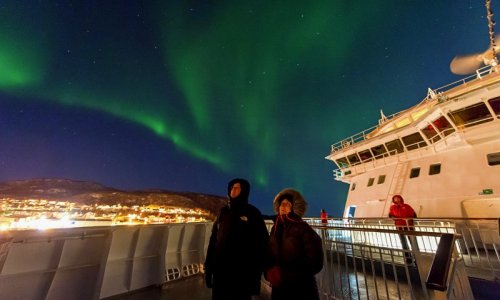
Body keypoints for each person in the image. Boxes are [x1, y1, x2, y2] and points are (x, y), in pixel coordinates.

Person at [204, 178, 269, 300]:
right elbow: (214, 241)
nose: (233, 190)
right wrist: (208, 268)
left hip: (241, 274)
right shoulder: (223, 212)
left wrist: (255, 276)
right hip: (220, 271)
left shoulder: (252, 212)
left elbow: (262, 243)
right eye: (232, 187)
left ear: (244, 191)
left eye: (237, 187)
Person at [265, 188, 324, 300]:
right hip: (279, 289)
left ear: (294, 207)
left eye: (287, 204)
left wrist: (287, 275)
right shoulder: (275, 227)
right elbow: (270, 251)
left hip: (301, 289)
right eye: (281, 204)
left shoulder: (303, 228)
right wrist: (268, 271)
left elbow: (315, 262)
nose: (283, 207)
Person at [388, 194, 417, 264]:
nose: (396, 200)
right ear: (393, 200)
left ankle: (416, 258)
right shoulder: (393, 208)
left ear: (401, 199)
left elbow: (414, 214)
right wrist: (394, 218)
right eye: (395, 199)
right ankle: (408, 258)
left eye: (398, 198)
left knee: (413, 243)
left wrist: (409, 219)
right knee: (404, 243)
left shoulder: (407, 206)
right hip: (399, 227)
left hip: (409, 227)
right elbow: (390, 215)